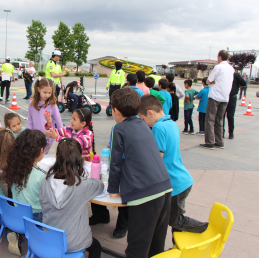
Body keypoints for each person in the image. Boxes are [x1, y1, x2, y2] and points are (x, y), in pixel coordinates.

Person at [108, 87, 172, 258]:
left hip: (144, 193)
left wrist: (113, 190)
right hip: (165, 187)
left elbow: (115, 162)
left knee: (137, 247)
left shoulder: (119, 128)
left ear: (115, 110)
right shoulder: (144, 125)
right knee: (156, 244)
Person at [138, 95, 208, 244]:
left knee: (175, 220)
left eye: (143, 119)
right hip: (182, 179)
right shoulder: (171, 123)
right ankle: (180, 246)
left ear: (150, 113)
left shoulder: (158, 127)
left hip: (175, 184)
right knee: (177, 218)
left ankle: (205, 228)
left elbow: (158, 159)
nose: (144, 124)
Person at [40, 139, 104, 258]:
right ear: (79, 159)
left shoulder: (46, 181)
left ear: (57, 157)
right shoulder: (82, 184)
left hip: (48, 238)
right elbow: (100, 185)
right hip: (73, 243)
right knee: (96, 247)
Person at [2, 129, 47, 256]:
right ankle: (41, 243)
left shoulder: (14, 167)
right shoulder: (42, 175)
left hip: (18, 214)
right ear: (41, 151)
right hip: (37, 217)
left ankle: (18, 234)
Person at [200, 50, 234, 150]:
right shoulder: (231, 69)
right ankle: (219, 141)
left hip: (215, 96)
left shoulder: (218, 67)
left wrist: (212, 81)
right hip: (225, 97)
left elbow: (209, 80)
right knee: (219, 119)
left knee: (210, 119)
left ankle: (209, 142)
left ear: (219, 57)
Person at [28, 78, 63, 154]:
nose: (47, 95)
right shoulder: (32, 104)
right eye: (45, 92)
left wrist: (62, 138)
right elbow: (30, 121)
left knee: (42, 155)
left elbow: (59, 122)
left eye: (49, 92)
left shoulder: (53, 105)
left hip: (48, 137)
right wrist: (28, 134)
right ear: (38, 89)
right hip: (35, 136)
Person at [223, 72, 247, 139]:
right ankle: (230, 133)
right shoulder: (235, 75)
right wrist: (237, 87)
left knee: (222, 115)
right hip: (232, 97)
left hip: (224, 97)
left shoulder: (225, 74)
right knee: (230, 116)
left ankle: (223, 132)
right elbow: (244, 83)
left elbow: (244, 83)